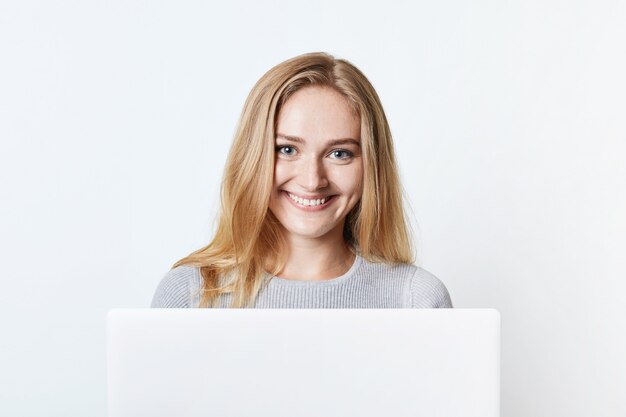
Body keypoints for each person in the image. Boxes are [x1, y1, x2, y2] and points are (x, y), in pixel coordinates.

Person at [151, 52, 452, 309]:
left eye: (339, 153)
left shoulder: (416, 300)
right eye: (287, 149)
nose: (312, 181)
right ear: (252, 158)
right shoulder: (190, 295)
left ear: (371, 167)